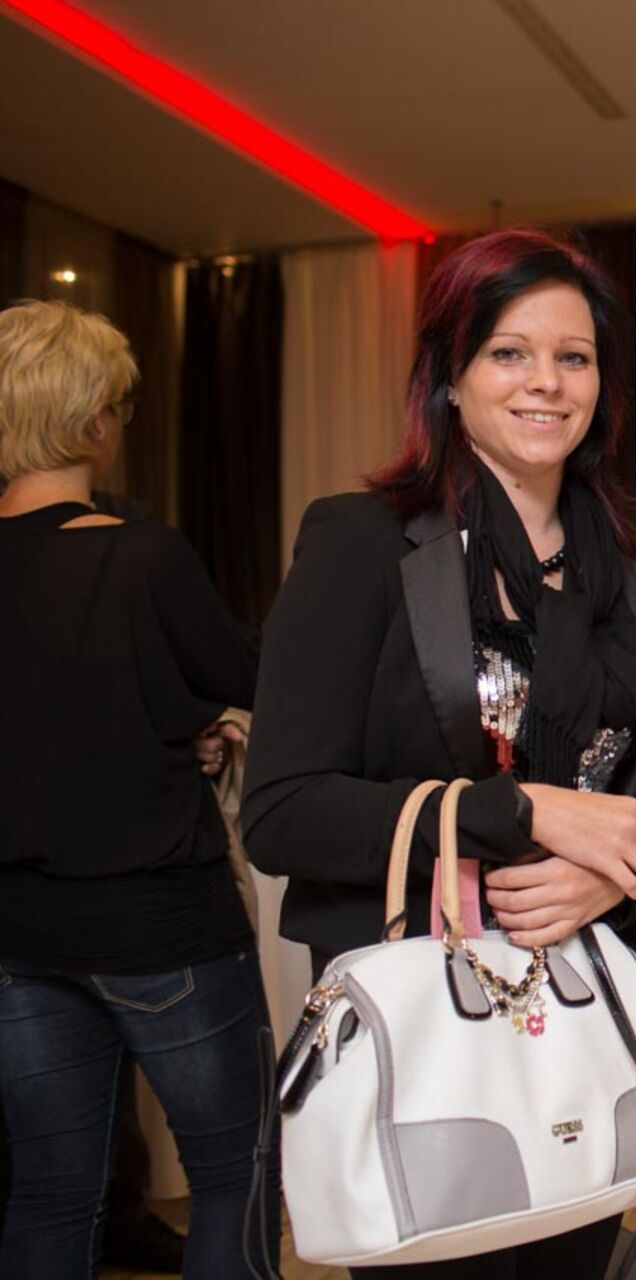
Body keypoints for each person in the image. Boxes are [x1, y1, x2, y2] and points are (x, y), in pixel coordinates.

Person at [242, 228, 636, 1279]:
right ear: (450, 375)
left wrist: (612, 874)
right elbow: (281, 811)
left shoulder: (629, 570)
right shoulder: (363, 541)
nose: (546, 382)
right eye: (508, 352)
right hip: (427, 1039)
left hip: (584, 1019)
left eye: (574, 357)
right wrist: (524, 814)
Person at [0, 299, 276, 1278]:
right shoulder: (139, 553)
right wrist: (204, 722)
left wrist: (174, 722)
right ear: (94, 422)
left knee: (49, 1193)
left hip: (19, 932)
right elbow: (248, 673)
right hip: (162, 924)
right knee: (235, 1174)